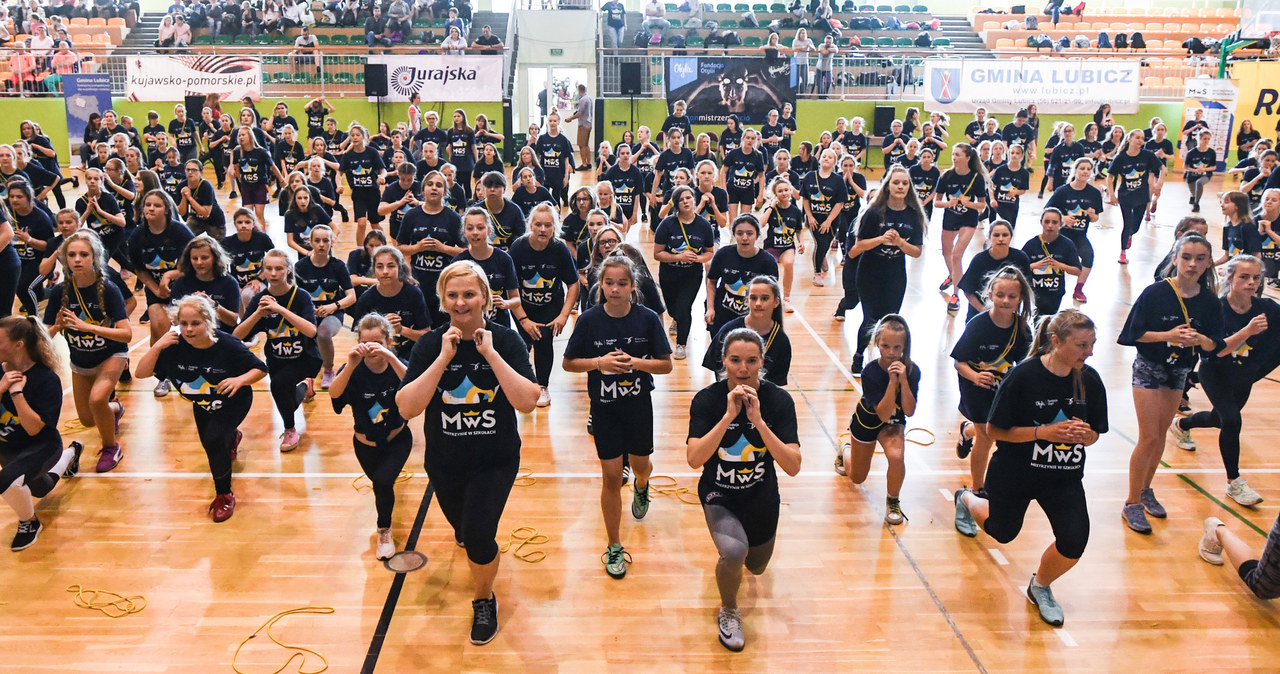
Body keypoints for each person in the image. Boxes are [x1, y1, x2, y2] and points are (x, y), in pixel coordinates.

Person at [395, 260, 538, 645]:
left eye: (469, 294)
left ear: (485, 299)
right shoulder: (429, 344)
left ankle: (484, 598)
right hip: (445, 463)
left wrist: (490, 355)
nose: (461, 302)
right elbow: (407, 408)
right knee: (463, 528)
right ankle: (472, 540)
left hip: (495, 460)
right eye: (453, 295)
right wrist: (443, 358)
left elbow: (528, 401)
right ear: (443, 300)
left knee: (477, 535)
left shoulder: (506, 341)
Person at [953, 309, 1108, 627]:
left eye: (1092, 344)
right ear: (1056, 341)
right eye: (1081, 345)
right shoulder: (1024, 376)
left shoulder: (1090, 380)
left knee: (1075, 540)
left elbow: (1094, 434)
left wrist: (1085, 435)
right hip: (1015, 473)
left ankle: (1040, 586)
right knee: (1002, 531)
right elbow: (995, 431)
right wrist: (1043, 432)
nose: (1089, 352)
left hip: (1062, 477)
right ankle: (967, 499)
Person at [688, 327, 801, 651]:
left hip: (761, 496)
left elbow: (793, 465)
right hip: (719, 494)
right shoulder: (708, 401)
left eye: (751, 361)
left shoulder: (778, 401)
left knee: (756, 565)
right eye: (735, 360)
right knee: (734, 552)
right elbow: (695, 459)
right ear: (723, 360)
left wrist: (759, 422)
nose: (742, 368)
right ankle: (729, 610)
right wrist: (728, 417)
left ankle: (734, 567)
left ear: (761, 362)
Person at [562, 253, 672, 578]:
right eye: (609, 283)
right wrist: (599, 363)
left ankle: (642, 483)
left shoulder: (648, 318)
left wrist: (635, 363)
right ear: (601, 285)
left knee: (640, 466)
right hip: (605, 410)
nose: (614, 289)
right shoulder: (589, 320)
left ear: (632, 286)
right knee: (610, 477)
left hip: (639, 408)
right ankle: (613, 545)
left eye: (621, 283)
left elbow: (666, 364)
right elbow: (569, 363)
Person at [1118, 233, 1224, 534]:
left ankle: (1146, 489)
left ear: (1208, 263)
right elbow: (1132, 334)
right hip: (1150, 368)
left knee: (1161, 434)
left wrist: (1199, 339)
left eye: (1200, 258)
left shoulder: (1209, 301)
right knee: (1148, 436)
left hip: (1179, 371)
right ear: (1175, 258)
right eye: (1186, 257)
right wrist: (1169, 336)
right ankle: (1132, 502)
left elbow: (1214, 344)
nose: (1192, 264)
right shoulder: (1155, 293)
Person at [136, 295, 264, 522]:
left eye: (196, 323)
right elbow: (141, 373)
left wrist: (240, 380)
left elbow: (260, 369)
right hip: (203, 405)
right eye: (183, 323)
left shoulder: (226, 344)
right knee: (211, 443)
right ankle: (232, 438)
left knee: (214, 440)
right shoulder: (173, 347)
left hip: (234, 402)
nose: (189, 329)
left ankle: (225, 494)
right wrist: (157, 345)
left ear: (209, 321)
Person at [1171, 255, 1278, 506]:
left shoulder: (1270, 309)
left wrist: (1254, 372)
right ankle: (1234, 482)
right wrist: (1248, 331)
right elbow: (1215, 351)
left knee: (1219, 420)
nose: (1251, 282)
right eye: (1244, 277)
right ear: (1229, 277)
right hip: (1215, 372)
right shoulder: (1215, 310)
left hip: (1243, 376)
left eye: (1256, 277)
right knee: (1231, 419)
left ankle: (1182, 425)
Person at [41, 230, 130, 473]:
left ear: (95, 257)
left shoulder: (108, 289)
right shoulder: (60, 292)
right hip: (81, 360)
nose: (77, 259)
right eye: (72, 255)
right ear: (65, 259)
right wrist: (58, 326)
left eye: (83, 254)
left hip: (112, 355)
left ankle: (112, 447)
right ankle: (115, 409)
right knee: (88, 419)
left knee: (97, 398)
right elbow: (44, 338)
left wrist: (86, 326)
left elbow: (126, 334)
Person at [330, 312, 411, 559]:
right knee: (382, 485)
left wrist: (390, 356)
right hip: (365, 444)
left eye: (379, 343)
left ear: (389, 341)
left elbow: (413, 384)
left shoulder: (398, 364)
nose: (372, 349)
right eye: (367, 343)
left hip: (397, 439)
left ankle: (383, 530)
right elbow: (334, 394)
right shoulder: (353, 368)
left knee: (383, 483)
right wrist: (351, 363)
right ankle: (385, 513)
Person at [951, 266, 1034, 492]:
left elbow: (1026, 364)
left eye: (1011, 296)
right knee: (987, 437)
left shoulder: (1022, 328)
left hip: (1001, 389)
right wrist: (976, 377)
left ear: (1020, 299)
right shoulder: (978, 325)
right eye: (1000, 295)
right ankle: (978, 489)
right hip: (975, 386)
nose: (1005, 300)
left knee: (992, 432)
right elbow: (959, 362)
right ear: (990, 295)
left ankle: (967, 431)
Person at [0, 315, 78, 551]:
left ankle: (29, 523)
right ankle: (73, 453)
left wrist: (16, 394)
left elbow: (34, 429)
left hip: (42, 446)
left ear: (18, 344)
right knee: (40, 488)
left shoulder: (46, 380)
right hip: (8, 445)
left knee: (9, 482)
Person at [234, 249, 320, 453]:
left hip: (306, 358)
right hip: (277, 359)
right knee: (285, 391)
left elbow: (311, 331)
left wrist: (281, 310)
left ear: (288, 270)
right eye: (269, 269)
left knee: (279, 386)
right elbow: (237, 336)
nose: (273, 273)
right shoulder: (260, 299)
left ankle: (290, 429)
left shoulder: (301, 296)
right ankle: (304, 387)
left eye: (279, 268)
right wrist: (257, 314)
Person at [838, 315, 919, 525]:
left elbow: (909, 411)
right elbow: (882, 413)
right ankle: (845, 448)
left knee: (896, 457)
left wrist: (904, 380)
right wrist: (893, 383)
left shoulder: (912, 371)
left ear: (904, 346)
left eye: (897, 347)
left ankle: (893, 501)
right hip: (868, 421)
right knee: (857, 477)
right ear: (877, 344)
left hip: (893, 423)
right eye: (885, 346)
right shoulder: (870, 372)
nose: (891, 353)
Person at [848, 166, 925, 375]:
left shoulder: (913, 215)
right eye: (896, 182)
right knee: (870, 317)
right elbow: (860, 244)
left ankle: (887, 359)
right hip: (870, 270)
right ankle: (859, 355)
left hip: (895, 272)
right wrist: (882, 239)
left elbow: (917, 252)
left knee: (890, 319)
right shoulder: (874, 212)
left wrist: (900, 242)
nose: (900, 186)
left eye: (904, 183)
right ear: (888, 186)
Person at [509, 203, 579, 407]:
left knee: (544, 340)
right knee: (523, 342)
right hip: (523, 305)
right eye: (538, 224)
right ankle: (524, 382)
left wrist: (564, 316)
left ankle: (542, 386)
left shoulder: (559, 249)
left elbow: (573, 284)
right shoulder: (518, 248)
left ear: (554, 227)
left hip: (551, 306)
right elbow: (510, 288)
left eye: (548, 225)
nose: (542, 229)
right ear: (530, 225)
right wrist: (523, 319)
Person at [654, 185, 716, 361]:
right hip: (669, 274)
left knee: (684, 307)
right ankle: (675, 319)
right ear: (676, 204)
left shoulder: (703, 225)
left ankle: (681, 344)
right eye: (681, 199)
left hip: (691, 275)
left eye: (688, 198)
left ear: (694, 199)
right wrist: (679, 256)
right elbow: (657, 254)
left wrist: (696, 259)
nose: (686, 201)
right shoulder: (667, 224)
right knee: (673, 309)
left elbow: (709, 252)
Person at [395, 170, 465, 327]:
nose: (434, 188)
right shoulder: (412, 216)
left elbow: (465, 251)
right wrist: (417, 247)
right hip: (417, 283)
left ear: (445, 191)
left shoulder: (453, 218)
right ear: (423, 189)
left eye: (439, 185)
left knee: (442, 328)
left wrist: (443, 249)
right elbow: (399, 247)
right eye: (430, 184)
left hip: (445, 284)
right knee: (420, 327)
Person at [294, 224, 354, 390]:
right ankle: (306, 373)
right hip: (308, 313)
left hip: (332, 313)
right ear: (311, 242)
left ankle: (328, 369)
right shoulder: (300, 267)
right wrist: (308, 309)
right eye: (318, 241)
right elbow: (293, 296)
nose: (321, 244)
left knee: (323, 333)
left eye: (325, 241)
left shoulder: (338, 266)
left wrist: (333, 306)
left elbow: (351, 297)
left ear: (331, 242)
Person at [704, 275, 791, 387]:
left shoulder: (781, 340)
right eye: (753, 298)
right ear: (746, 301)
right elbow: (717, 369)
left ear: (776, 302)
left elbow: (777, 383)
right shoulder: (728, 331)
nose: (758, 303)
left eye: (764, 298)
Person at [705, 214, 778, 339]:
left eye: (750, 233)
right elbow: (712, 282)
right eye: (739, 233)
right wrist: (710, 308)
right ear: (734, 235)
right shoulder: (723, 254)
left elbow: (772, 295)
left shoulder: (768, 262)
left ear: (757, 236)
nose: (745, 238)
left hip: (752, 319)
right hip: (722, 315)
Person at [935, 143, 988, 315]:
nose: (954, 157)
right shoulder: (946, 176)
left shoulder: (977, 178)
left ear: (967, 158)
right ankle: (953, 276)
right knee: (946, 253)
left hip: (968, 220)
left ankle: (956, 294)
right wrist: (947, 204)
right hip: (950, 218)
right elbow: (937, 202)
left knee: (957, 255)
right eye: (953, 154)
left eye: (958, 154)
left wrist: (969, 204)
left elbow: (982, 205)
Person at [1045, 158, 1103, 303]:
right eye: (1082, 168)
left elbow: (1096, 218)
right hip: (1060, 235)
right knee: (1053, 262)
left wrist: (1092, 215)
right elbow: (1047, 210)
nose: (1085, 171)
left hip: (1079, 236)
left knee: (1088, 256)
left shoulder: (1094, 193)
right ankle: (1050, 288)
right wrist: (1063, 218)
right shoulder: (1062, 191)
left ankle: (1078, 289)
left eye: (1088, 169)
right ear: (1075, 170)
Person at [452, 208, 520, 330]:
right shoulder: (458, 262)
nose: (475, 232)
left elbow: (516, 299)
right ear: (464, 232)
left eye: (480, 228)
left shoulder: (504, 259)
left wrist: (505, 303)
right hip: (468, 328)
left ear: (489, 230)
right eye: (470, 228)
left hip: (499, 327)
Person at [1108, 129, 1165, 264]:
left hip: (1141, 195)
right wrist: (1111, 194)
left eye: (1142, 138)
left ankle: (1130, 235)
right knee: (1127, 224)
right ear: (1130, 139)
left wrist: (1159, 183)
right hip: (1125, 196)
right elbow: (1110, 176)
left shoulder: (1147, 155)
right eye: (1138, 138)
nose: (1141, 141)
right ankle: (1122, 253)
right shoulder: (1121, 158)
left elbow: (1163, 168)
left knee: (1136, 227)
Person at [1022, 208, 1080, 317]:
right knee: (1039, 320)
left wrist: (1060, 265)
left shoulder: (1067, 244)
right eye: (1047, 222)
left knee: (1049, 319)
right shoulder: (1031, 244)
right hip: (1036, 291)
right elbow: (1017, 268)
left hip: (1055, 291)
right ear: (1041, 222)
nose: (1050, 225)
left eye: (1054, 222)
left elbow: (1077, 271)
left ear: (1060, 224)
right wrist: (1035, 265)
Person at [7, 181, 54, 317]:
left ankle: (34, 319)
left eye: (19, 197)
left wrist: (29, 240)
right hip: (18, 260)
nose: (14, 200)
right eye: (12, 196)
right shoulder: (8, 214)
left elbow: (49, 246)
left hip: (40, 262)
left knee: (24, 287)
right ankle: (57, 291)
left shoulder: (40, 218)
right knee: (25, 287)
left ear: (28, 198)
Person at [800, 148, 845, 288]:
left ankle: (822, 257)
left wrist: (829, 221)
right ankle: (817, 273)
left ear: (834, 162)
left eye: (829, 157)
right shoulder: (810, 176)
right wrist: (810, 216)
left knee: (826, 244)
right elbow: (805, 198)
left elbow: (840, 203)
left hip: (831, 220)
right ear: (820, 159)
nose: (826, 158)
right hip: (814, 219)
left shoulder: (837, 180)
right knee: (820, 244)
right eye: (824, 156)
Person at [759, 178, 804, 312]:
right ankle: (768, 296)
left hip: (787, 246)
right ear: (775, 194)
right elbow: (760, 224)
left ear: (790, 191)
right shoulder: (771, 209)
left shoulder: (795, 211)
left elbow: (799, 230)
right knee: (769, 271)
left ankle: (787, 299)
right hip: (771, 246)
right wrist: (771, 206)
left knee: (789, 263)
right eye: (780, 191)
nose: (784, 193)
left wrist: (801, 242)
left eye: (786, 190)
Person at [220, 208, 273, 317]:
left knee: (248, 295)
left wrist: (259, 279)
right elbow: (221, 268)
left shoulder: (262, 238)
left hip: (259, 281)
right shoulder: (226, 242)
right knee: (240, 309)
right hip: (237, 283)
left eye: (247, 222)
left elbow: (273, 262)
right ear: (235, 224)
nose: (243, 225)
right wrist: (234, 284)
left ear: (253, 224)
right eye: (240, 222)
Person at [721, 129, 766, 226]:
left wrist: (761, 194)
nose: (750, 140)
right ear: (743, 139)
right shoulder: (733, 153)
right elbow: (723, 171)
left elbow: (762, 175)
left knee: (744, 220)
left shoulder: (758, 155)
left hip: (748, 190)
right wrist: (724, 190)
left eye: (753, 138)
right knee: (733, 220)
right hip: (733, 189)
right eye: (748, 138)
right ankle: (733, 240)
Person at [1184, 130, 1216, 214]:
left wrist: (1204, 169)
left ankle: (1196, 203)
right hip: (1192, 174)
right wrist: (1195, 170)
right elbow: (1185, 166)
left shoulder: (1211, 152)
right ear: (1200, 138)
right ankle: (1193, 196)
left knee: (1199, 183)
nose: (1206, 141)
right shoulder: (1191, 152)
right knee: (1193, 191)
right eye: (1204, 138)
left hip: (1205, 174)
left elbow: (1214, 166)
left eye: (1208, 139)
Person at [564, 84, 594, 172]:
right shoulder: (589, 98)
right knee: (586, 145)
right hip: (589, 123)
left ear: (579, 90)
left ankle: (584, 164)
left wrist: (570, 118)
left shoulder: (582, 99)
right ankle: (588, 163)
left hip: (583, 124)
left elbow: (579, 113)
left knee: (581, 145)